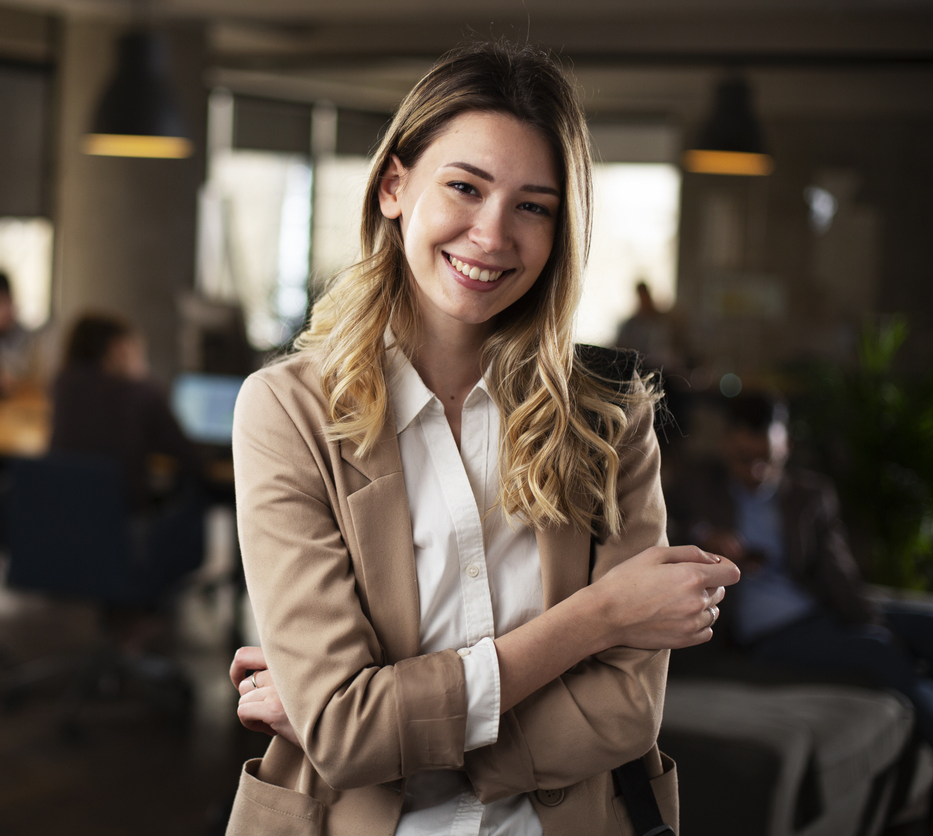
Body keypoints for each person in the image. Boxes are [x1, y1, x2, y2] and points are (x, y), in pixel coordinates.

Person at [223, 43, 739, 836]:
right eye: (465, 187)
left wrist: (381, 728)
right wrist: (600, 616)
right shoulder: (286, 412)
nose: (493, 235)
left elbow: (627, 713)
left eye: (533, 205)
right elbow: (342, 731)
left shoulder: (610, 415)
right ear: (395, 186)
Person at [669, 393, 933, 745]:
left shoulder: (810, 496)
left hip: (817, 607)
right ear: (725, 445)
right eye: (744, 459)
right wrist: (704, 537)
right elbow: (660, 528)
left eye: (766, 460)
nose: (755, 471)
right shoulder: (699, 485)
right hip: (767, 630)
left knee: (921, 628)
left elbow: (838, 572)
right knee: (880, 651)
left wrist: (871, 618)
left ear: (787, 446)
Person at [50, 313, 200, 513]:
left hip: (63, 517)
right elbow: (190, 457)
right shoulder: (142, 394)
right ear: (118, 349)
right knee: (194, 493)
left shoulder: (63, 385)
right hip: (123, 526)